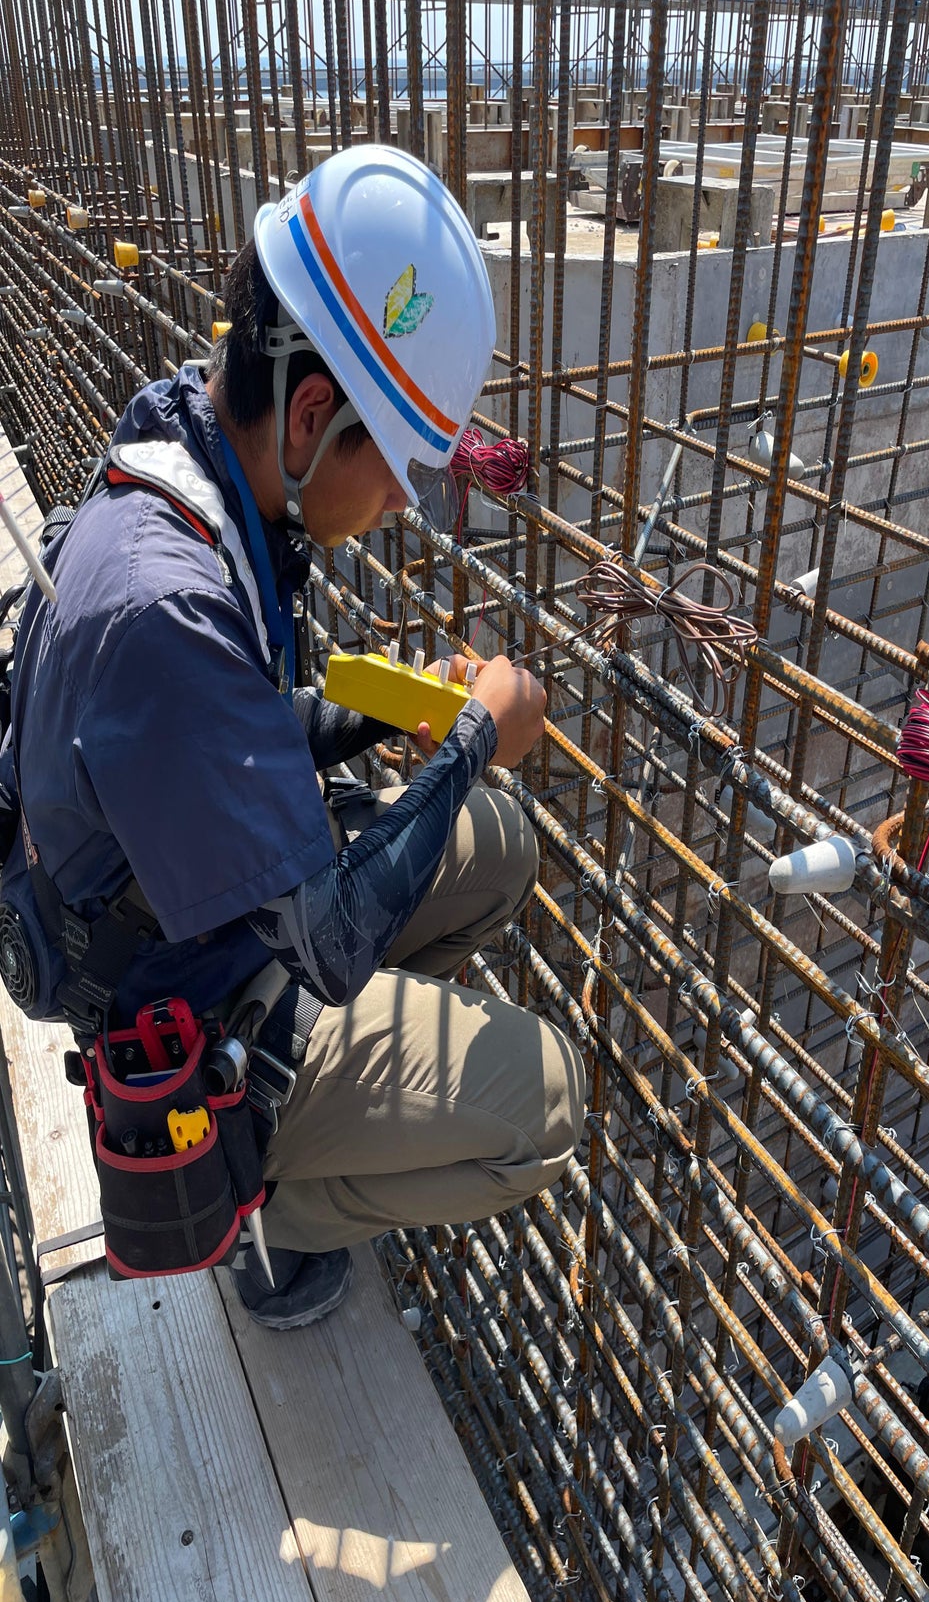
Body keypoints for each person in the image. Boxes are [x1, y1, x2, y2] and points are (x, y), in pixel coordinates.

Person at [0, 146, 585, 1327]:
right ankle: (243, 1195)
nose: (397, 505)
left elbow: (239, 728)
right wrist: (471, 736)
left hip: (180, 900)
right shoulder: (164, 603)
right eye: (394, 469)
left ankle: (336, 1099)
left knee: (498, 843)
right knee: (547, 1105)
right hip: (167, 1000)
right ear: (313, 414)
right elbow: (322, 937)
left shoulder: (193, 447)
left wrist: (388, 706)